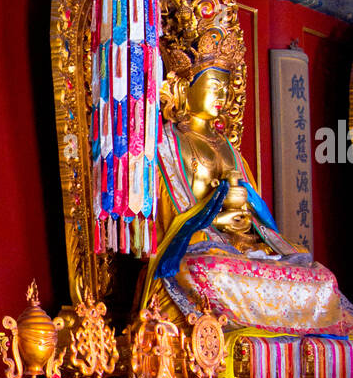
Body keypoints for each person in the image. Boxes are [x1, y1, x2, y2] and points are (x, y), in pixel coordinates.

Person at [141, 25, 353, 335]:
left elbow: (257, 215)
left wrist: (244, 221)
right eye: (215, 84)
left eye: (227, 86)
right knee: (209, 271)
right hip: (202, 248)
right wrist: (218, 214)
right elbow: (168, 223)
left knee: (321, 278)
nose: (223, 95)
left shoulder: (229, 148)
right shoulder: (168, 145)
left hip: (244, 244)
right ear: (186, 85)